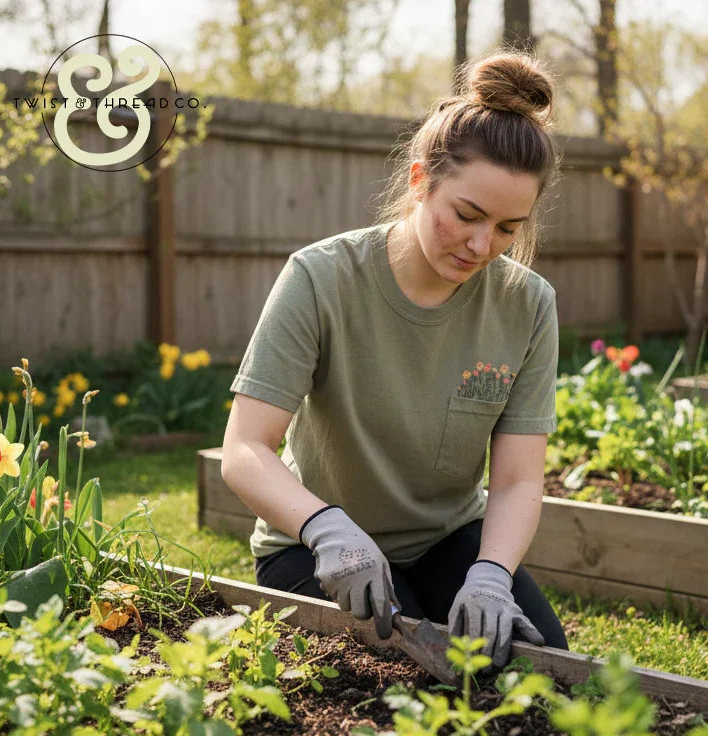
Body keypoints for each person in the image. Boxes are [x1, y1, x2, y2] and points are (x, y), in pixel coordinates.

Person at [221, 49, 569, 674]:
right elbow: (246, 448)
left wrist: (491, 575)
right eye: (466, 215)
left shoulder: (528, 305)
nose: (481, 245)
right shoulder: (321, 278)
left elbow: (518, 478)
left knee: (540, 668)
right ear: (418, 182)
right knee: (407, 674)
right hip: (317, 544)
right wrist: (324, 527)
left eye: (508, 228)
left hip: (445, 540)